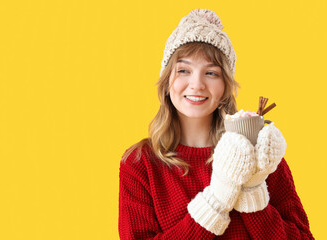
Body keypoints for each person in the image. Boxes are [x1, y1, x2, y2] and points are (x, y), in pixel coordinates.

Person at [118, 9, 314, 239]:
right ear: (166, 81)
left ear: (225, 87)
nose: (196, 84)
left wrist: (253, 192)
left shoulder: (261, 153)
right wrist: (217, 199)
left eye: (211, 73)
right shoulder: (140, 163)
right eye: (183, 70)